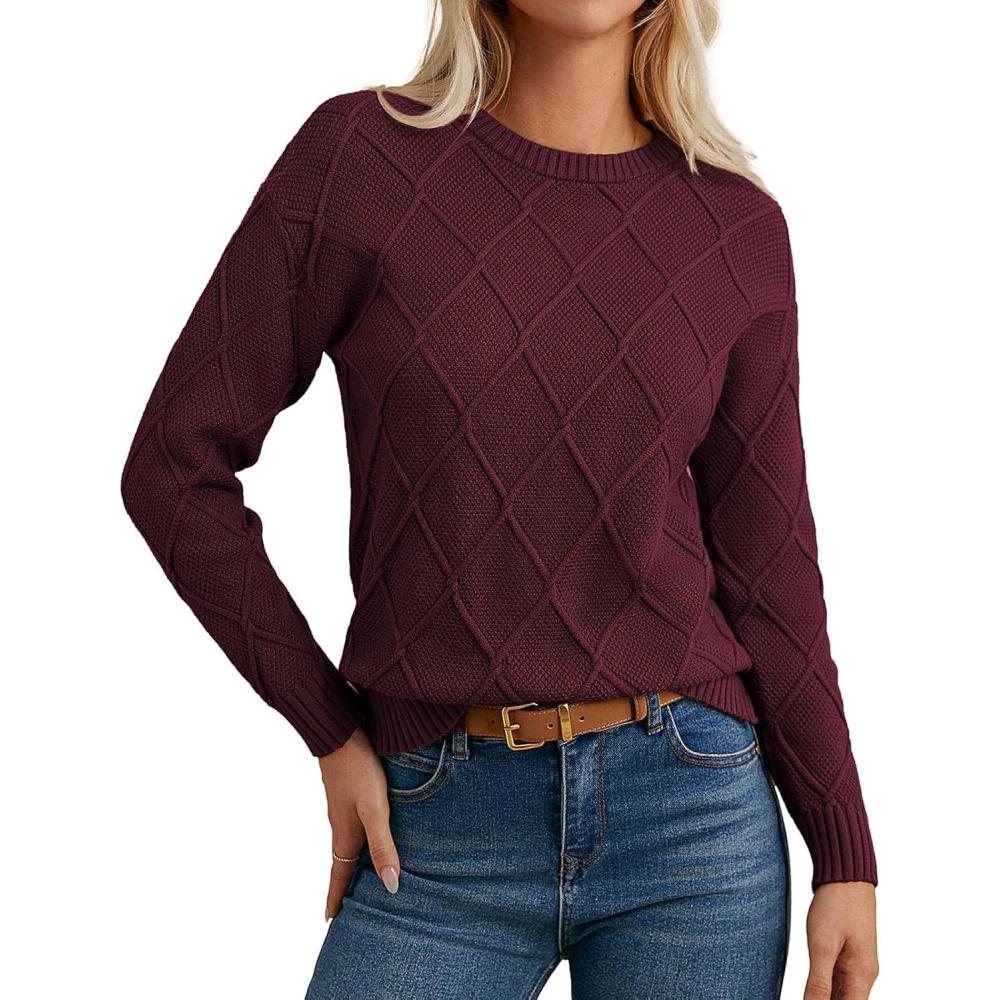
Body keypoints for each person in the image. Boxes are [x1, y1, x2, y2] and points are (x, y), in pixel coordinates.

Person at [120, 1, 879, 997]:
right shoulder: (359, 161)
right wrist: (328, 727)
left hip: (693, 821)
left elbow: (770, 569)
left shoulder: (734, 228)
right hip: (434, 825)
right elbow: (172, 466)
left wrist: (844, 850)